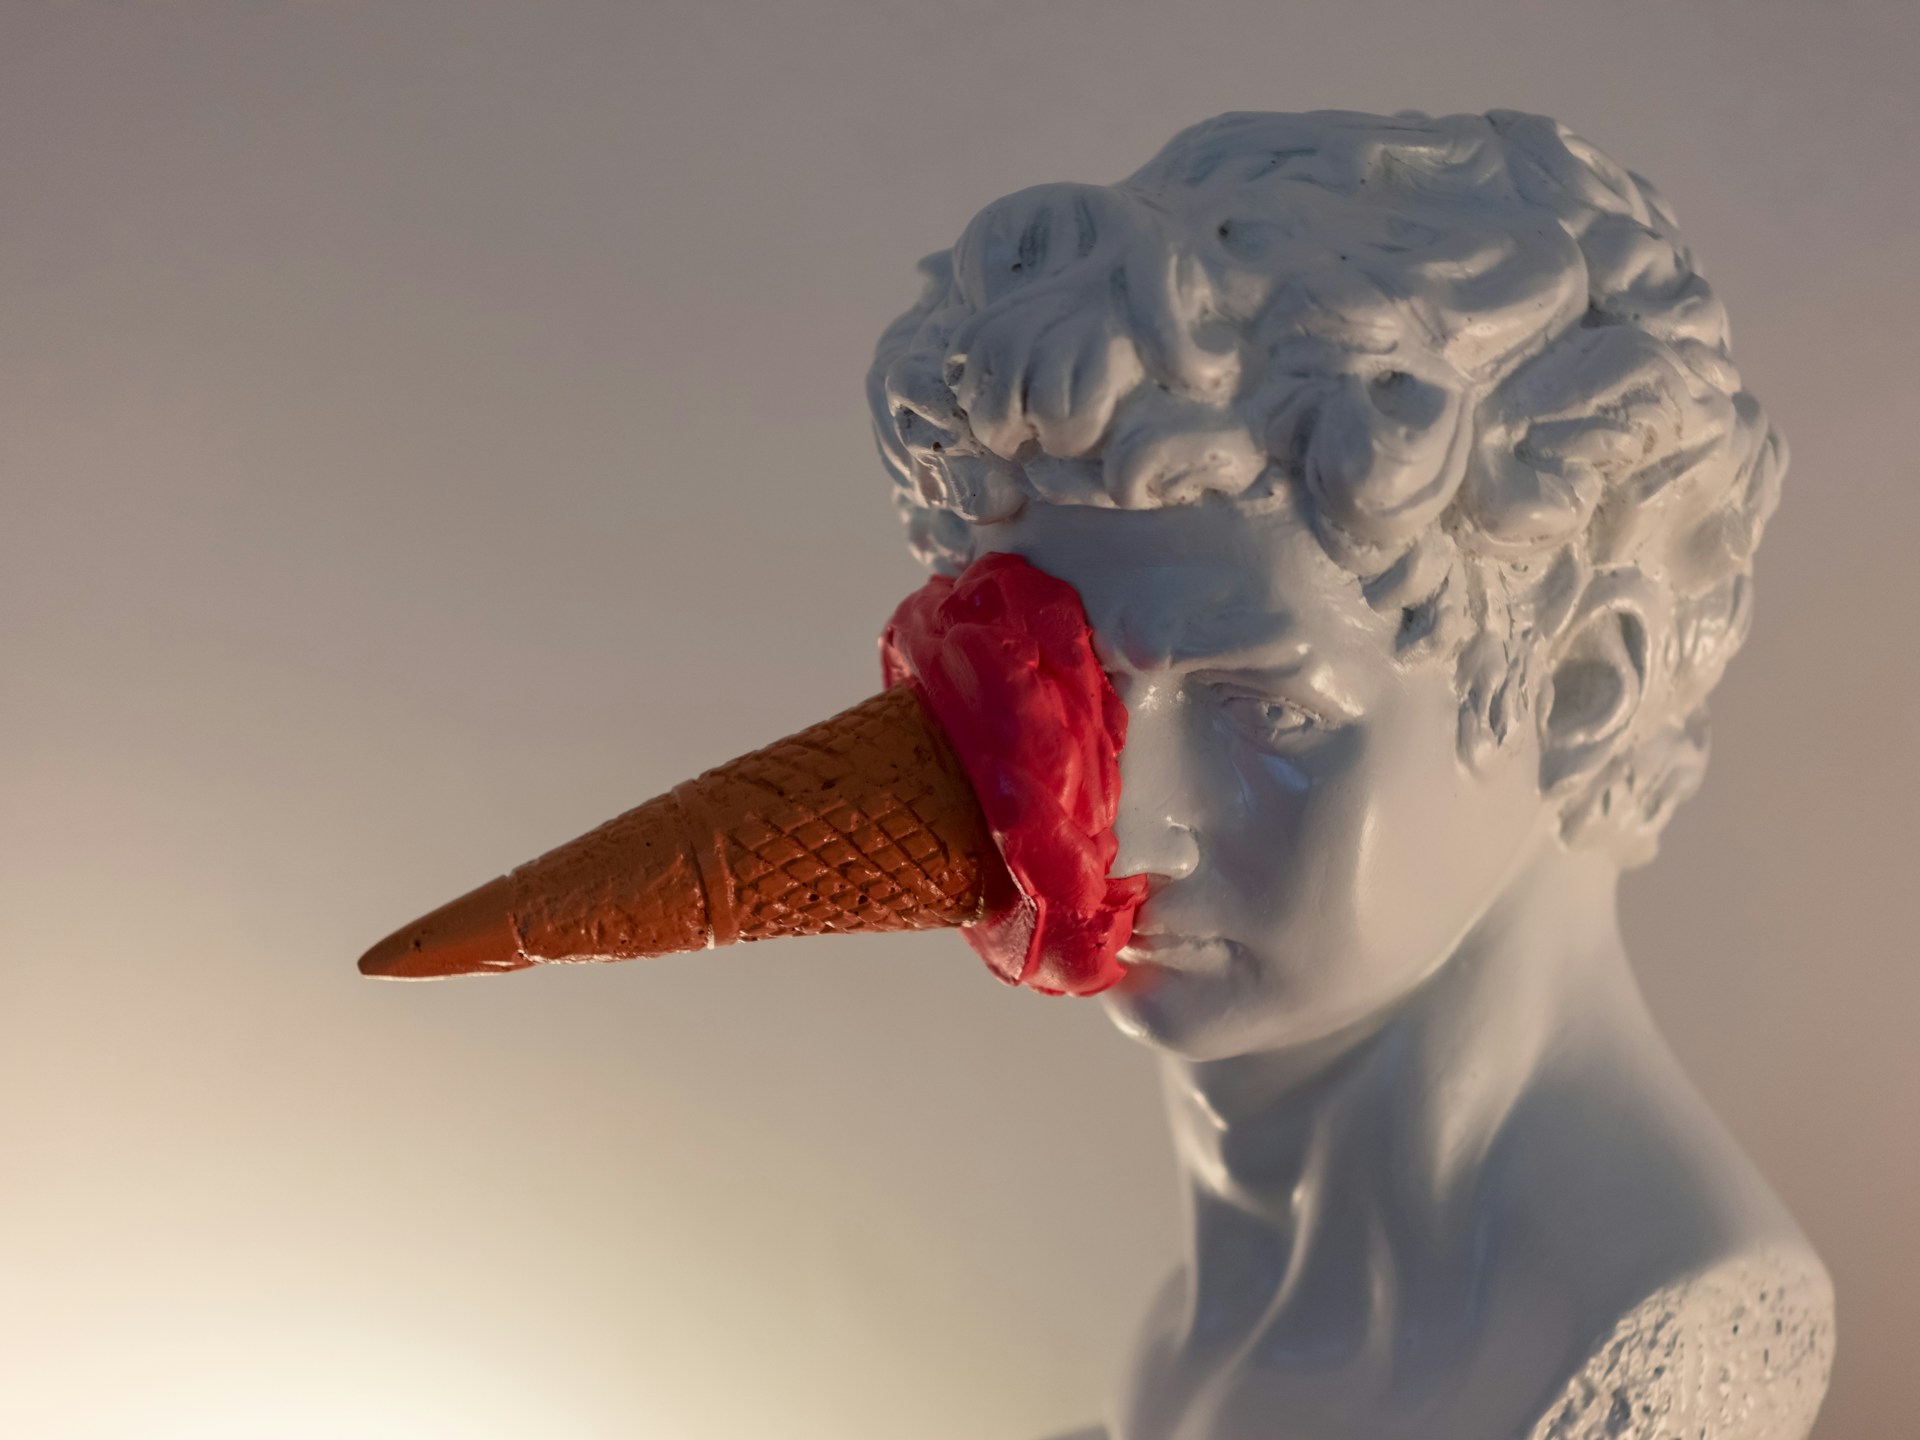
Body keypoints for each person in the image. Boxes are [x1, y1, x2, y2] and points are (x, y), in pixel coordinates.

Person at [869, 109, 1833, 1440]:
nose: (1109, 837)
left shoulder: (1630, 1353)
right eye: (1061, 692)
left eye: (1261, 709)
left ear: (1580, 691)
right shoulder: (1228, 1315)